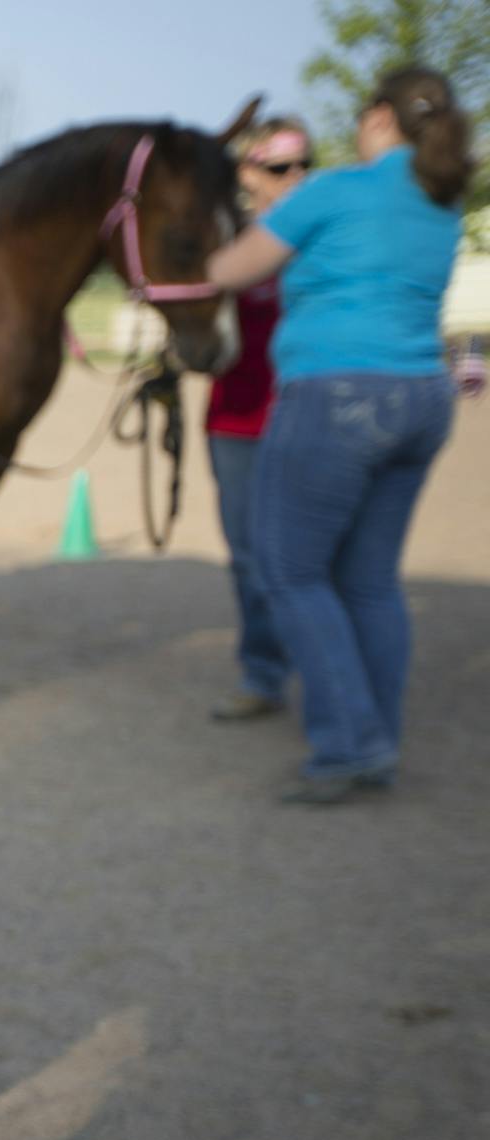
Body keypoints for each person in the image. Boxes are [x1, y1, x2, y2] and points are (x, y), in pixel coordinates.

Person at [205, 67, 472, 804]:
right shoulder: (440, 200)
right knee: (369, 581)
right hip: (423, 397)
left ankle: (348, 745)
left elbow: (232, 268)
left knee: (290, 572)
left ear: (380, 116)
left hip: (336, 394)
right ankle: (376, 738)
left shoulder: (333, 192)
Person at [203, 116, 315, 723]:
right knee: (249, 557)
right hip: (237, 421)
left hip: (311, 416)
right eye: (279, 167)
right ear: (249, 173)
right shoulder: (228, 242)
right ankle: (264, 674)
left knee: (313, 558)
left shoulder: (324, 234)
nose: (295, 177)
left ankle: (328, 680)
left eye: (304, 164)